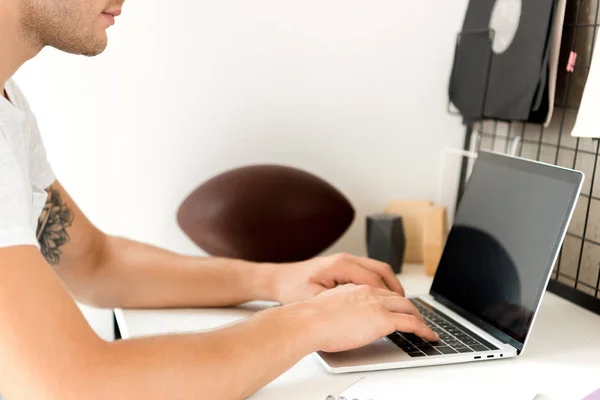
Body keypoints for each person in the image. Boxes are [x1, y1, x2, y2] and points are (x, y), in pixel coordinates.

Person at [0, 1, 438, 398]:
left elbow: (95, 263)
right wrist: (315, 321)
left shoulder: (9, 104)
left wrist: (279, 281)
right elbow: (75, 385)